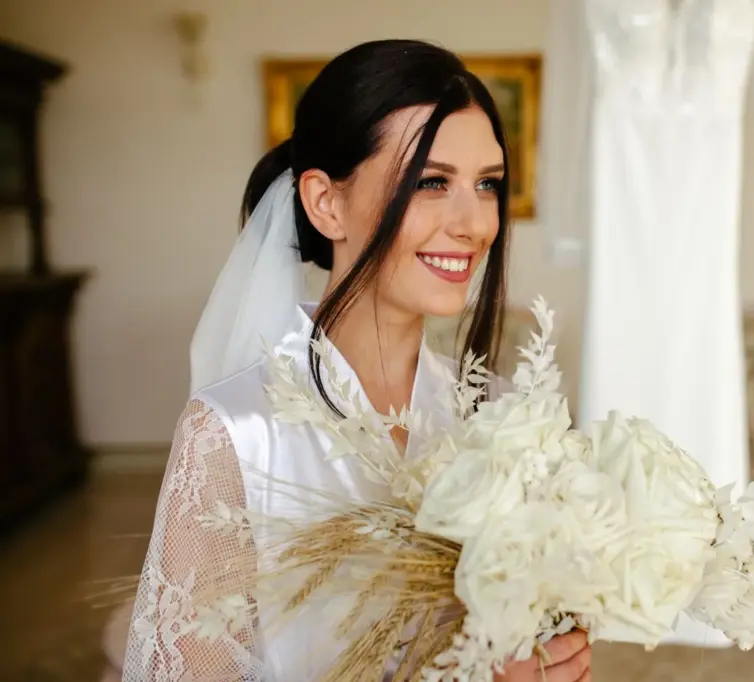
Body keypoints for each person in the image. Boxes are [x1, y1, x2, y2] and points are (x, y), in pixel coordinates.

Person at [121, 39, 592, 682]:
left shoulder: (503, 419)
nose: (475, 223)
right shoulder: (236, 433)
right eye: (430, 182)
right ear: (326, 203)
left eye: (487, 184)